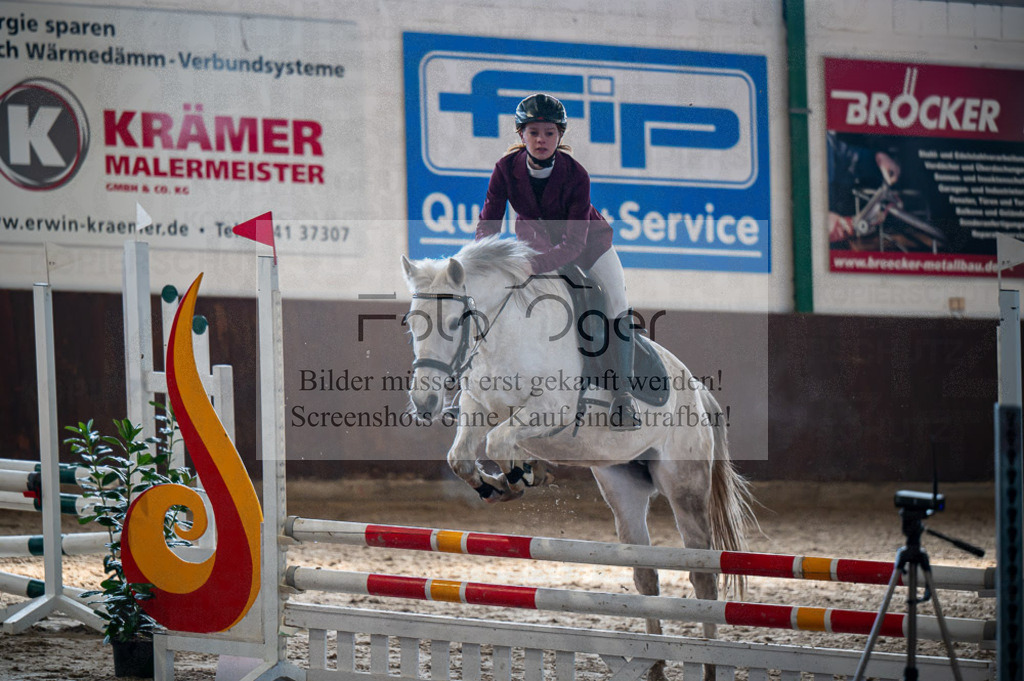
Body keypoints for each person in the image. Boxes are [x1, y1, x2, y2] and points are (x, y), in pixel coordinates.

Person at [475, 93, 640, 431]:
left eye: (549, 133)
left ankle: (624, 397)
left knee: (617, 304)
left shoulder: (577, 175)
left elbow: (574, 242)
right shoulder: (504, 169)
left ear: (560, 136)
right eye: (534, 132)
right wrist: (485, 259)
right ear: (520, 135)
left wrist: (532, 267)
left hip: (590, 247)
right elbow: (489, 223)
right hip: (534, 244)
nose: (541, 140)